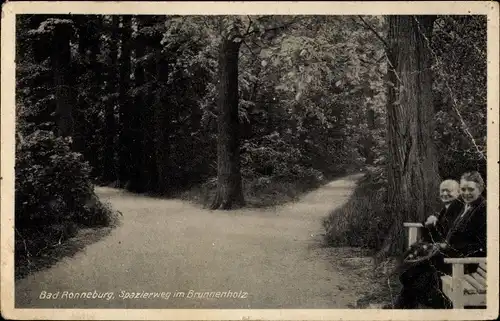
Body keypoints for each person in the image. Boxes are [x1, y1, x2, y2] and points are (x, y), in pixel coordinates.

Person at [392, 171, 487, 309]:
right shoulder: (467, 206)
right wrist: (442, 245)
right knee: (415, 265)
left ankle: (408, 305)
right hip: (451, 255)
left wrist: (447, 248)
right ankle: (403, 304)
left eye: (471, 189)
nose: (466, 193)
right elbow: (447, 222)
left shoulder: (483, 210)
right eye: (463, 189)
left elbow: (481, 246)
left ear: (480, 188)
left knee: (417, 268)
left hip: (466, 263)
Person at [421, 179, 463, 244]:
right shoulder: (444, 209)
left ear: (459, 192)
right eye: (442, 191)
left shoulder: (460, 209)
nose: (445, 194)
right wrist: (430, 220)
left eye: (449, 191)